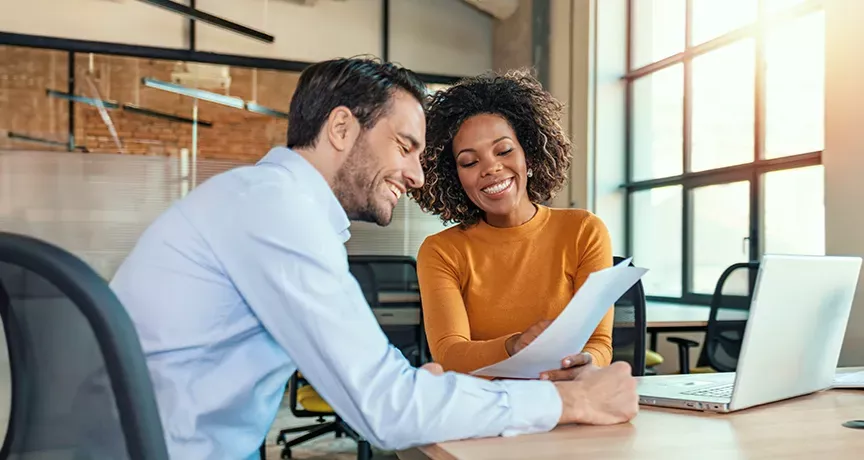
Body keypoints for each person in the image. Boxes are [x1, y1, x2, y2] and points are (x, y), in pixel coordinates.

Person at [109, 58, 638, 460]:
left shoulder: (270, 203)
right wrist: (572, 404)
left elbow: (382, 390)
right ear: (341, 129)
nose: (417, 175)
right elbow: (385, 407)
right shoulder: (274, 211)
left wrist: (424, 391)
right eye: (405, 146)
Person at [412, 69, 615, 380]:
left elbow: (599, 343)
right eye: (469, 162)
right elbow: (450, 353)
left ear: (529, 157)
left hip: (565, 398)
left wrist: (586, 364)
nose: (491, 168)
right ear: (456, 178)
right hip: (484, 407)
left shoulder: (584, 231)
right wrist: (514, 346)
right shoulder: (441, 251)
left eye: (504, 150)